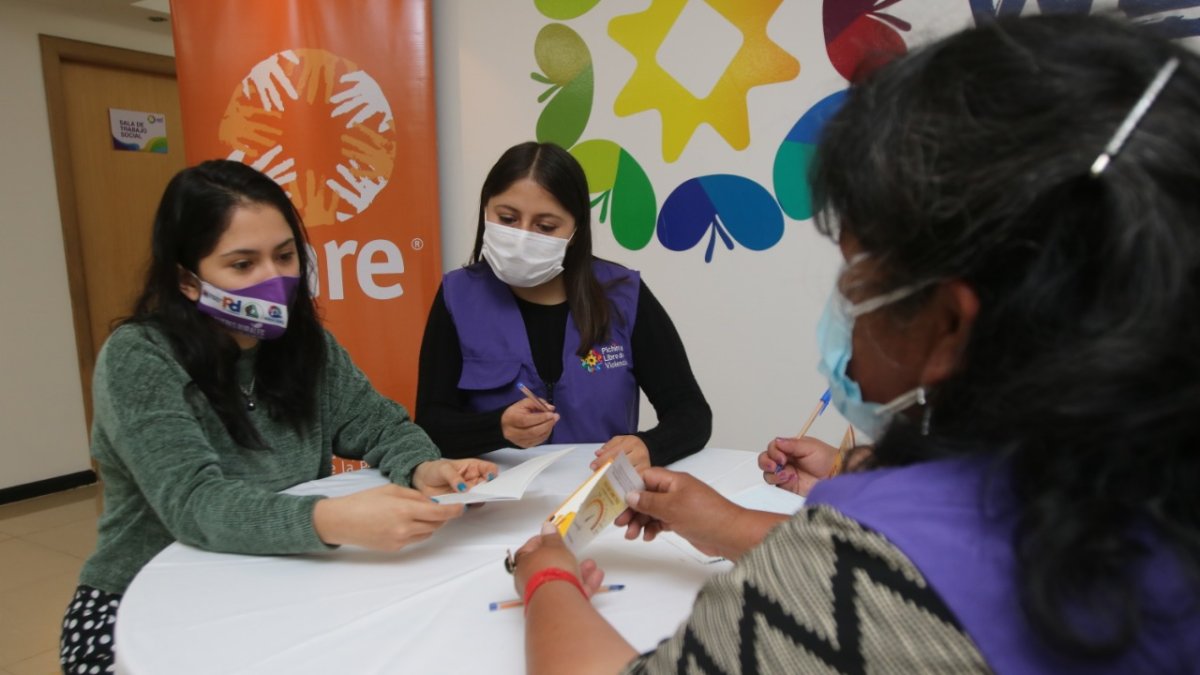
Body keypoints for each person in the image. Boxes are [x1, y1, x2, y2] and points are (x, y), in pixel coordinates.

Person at [509, 14, 1200, 673]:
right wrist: (725, 520)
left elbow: (881, 582)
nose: (844, 308)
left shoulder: (870, 568)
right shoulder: (1134, 496)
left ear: (949, 325)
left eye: (859, 278)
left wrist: (548, 579)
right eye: (508, 218)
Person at [60, 160, 497, 674]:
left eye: (285, 256)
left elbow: (381, 425)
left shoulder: (306, 346)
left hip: (281, 583)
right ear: (186, 280)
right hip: (140, 600)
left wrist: (425, 467)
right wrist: (333, 519)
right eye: (243, 264)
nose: (274, 279)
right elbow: (195, 503)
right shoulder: (139, 357)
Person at [416, 141, 712, 473]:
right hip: (494, 494)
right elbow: (431, 423)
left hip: (599, 494)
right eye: (507, 218)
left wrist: (650, 446)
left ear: (575, 229)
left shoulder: (622, 294)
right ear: (486, 210)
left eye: (545, 227)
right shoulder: (458, 296)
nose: (522, 237)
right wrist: (497, 428)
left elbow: (691, 414)